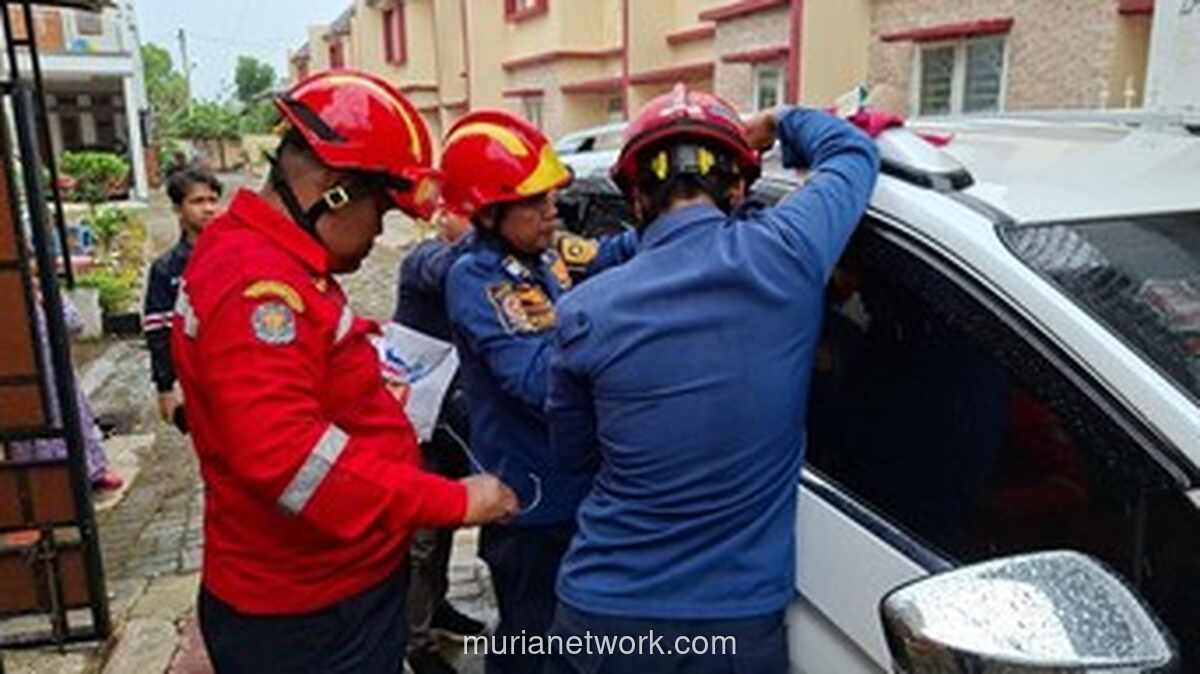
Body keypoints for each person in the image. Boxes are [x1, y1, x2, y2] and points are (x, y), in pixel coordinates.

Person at [170, 70, 518, 674]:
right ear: (333, 189)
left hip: (315, 592)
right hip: (310, 612)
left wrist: (361, 350)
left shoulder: (252, 248)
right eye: (381, 207)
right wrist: (453, 500)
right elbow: (291, 461)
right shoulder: (261, 291)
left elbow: (283, 372)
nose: (382, 228)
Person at [543, 84, 881, 673]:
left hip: (602, 614)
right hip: (731, 626)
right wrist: (778, 119)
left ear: (637, 201)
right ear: (739, 188)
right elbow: (852, 154)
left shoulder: (583, 311)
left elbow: (574, 455)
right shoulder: (789, 253)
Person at [441, 109, 637, 674]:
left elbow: (605, 258)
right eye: (536, 200)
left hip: (573, 485)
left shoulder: (543, 254)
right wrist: (615, 342)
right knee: (533, 640)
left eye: (551, 195)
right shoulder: (479, 277)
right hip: (531, 499)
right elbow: (536, 381)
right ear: (490, 208)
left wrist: (665, 218)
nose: (553, 208)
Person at [392, 208, 490, 674]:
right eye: (468, 214)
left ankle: (438, 608)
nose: (478, 225)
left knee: (448, 521)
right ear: (443, 215)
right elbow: (449, 268)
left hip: (452, 421)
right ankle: (417, 643)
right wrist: (494, 233)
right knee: (422, 538)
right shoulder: (425, 260)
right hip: (419, 423)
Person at [143, 168, 222, 432]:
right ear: (178, 208)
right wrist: (165, 387)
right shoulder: (166, 269)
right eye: (198, 202)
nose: (208, 209)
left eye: (212, 200)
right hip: (197, 378)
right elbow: (158, 331)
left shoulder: (234, 256)